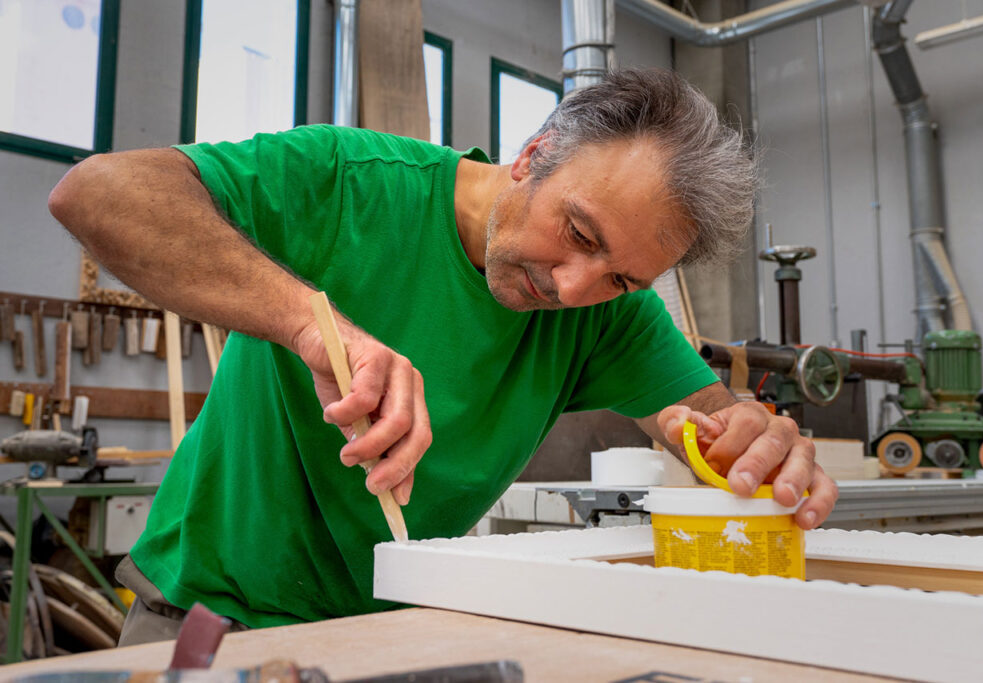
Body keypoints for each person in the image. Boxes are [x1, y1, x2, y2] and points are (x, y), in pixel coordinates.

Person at [48, 68, 837, 643]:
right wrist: (310, 321)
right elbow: (96, 193)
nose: (571, 288)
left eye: (620, 276)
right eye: (579, 233)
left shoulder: (609, 312)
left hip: (389, 634)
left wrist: (756, 437)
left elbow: (705, 415)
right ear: (533, 154)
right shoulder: (353, 184)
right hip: (206, 618)